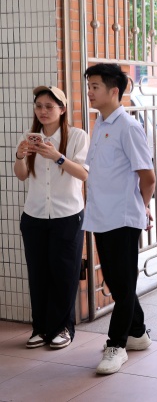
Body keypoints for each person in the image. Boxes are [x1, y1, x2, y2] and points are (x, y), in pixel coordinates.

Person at [83, 63, 155, 374]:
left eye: (95, 86)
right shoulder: (100, 124)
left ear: (114, 91)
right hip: (101, 216)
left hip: (123, 218)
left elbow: (148, 177)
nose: (90, 92)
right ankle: (137, 333)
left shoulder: (128, 126)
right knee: (116, 281)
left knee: (123, 285)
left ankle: (117, 345)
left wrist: (143, 206)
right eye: (89, 86)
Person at [14, 86, 89, 350]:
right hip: (34, 215)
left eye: (49, 106)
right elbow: (22, 175)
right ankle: (41, 328)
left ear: (63, 109)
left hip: (67, 215)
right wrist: (20, 155)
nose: (43, 111)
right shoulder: (29, 136)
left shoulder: (77, 136)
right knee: (38, 274)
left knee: (64, 273)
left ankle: (63, 328)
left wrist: (57, 157)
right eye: (39, 106)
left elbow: (84, 174)